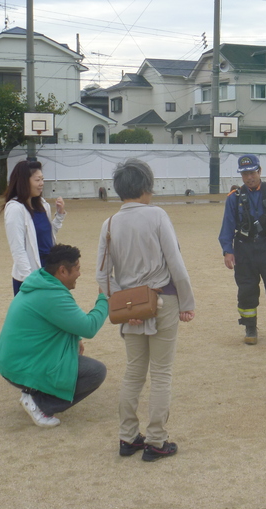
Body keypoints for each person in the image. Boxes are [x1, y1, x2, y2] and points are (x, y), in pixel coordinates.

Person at [96, 158, 195, 462]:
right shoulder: (157, 215)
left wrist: (123, 305)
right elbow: (175, 262)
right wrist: (187, 302)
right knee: (161, 373)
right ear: (144, 187)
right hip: (162, 299)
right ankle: (156, 440)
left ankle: (128, 437)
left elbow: (102, 275)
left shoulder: (109, 224)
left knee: (133, 372)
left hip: (130, 306)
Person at [0, 244, 108, 428]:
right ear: (63, 271)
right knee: (95, 372)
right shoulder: (52, 296)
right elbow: (89, 327)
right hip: (21, 367)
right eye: (77, 269)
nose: (79, 274)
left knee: (75, 355)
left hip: (13, 362)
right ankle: (40, 404)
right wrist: (104, 299)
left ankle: (34, 392)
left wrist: (75, 339)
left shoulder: (41, 283)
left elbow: (61, 322)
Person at [218, 154, 266, 346]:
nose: (249, 177)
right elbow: (227, 226)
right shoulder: (233, 198)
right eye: (245, 174)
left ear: (259, 171)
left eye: (252, 172)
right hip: (244, 249)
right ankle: (250, 328)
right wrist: (228, 251)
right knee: (246, 290)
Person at [2, 160, 66, 295]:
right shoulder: (15, 209)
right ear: (24, 181)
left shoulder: (42, 205)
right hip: (30, 276)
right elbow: (18, 249)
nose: (41, 183)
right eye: (37, 180)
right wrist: (30, 280)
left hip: (49, 271)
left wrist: (59, 215)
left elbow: (48, 236)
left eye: (42, 179)